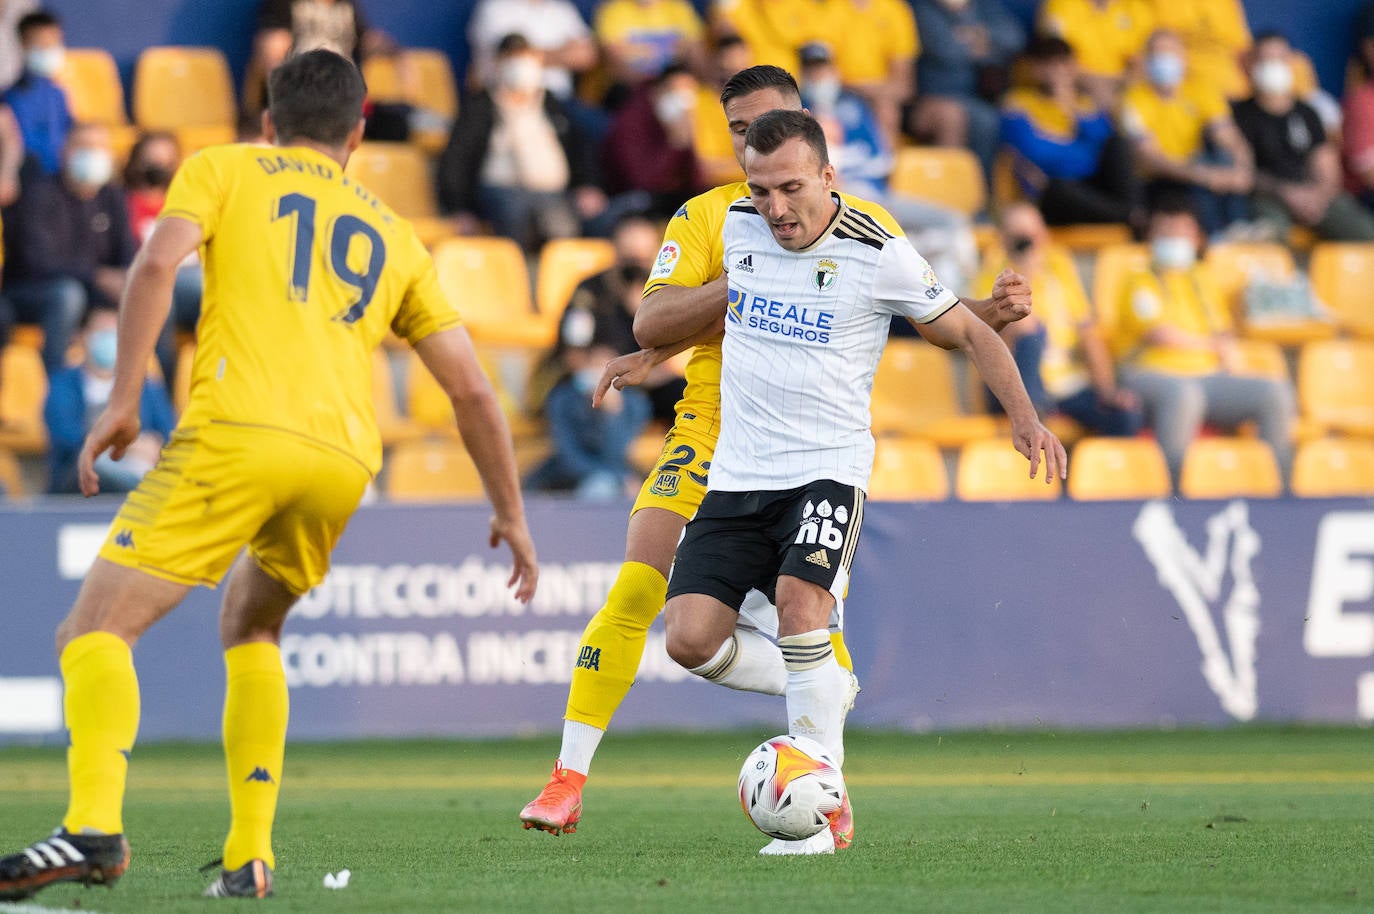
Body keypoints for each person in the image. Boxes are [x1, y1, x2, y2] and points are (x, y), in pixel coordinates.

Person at [0, 50, 538, 904]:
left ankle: (94, 825)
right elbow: (471, 387)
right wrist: (510, 511)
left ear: (265, 122)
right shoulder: (394, 231)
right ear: (360, 133)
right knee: (252, 628)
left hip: (237, 431)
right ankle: (251, 855)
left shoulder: (224, 167)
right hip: (341, 462)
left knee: (92, 631)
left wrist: (125, 395)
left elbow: (152, 266)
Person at [518, 64, 1036, 854]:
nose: (756, 162)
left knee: (800, 609)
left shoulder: (861, 227)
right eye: (738, 137)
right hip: (712, 432)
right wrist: (688, 322)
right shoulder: (721, 220)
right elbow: (657, 316)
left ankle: (824, 797)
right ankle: (574, 773)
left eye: (771, 134)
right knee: (660, 608)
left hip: (813, 447)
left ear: (812, 140)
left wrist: (988, 325)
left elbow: (913, 314)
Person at [660, 109, 1063, 856]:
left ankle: (821, 814)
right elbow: (675, 321)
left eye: (789, 188)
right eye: (759, 189)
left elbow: (964, 328)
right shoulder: (737, 229)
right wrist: (636, 358)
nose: (774, 207)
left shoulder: (878, 251)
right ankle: (823, 685)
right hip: (738, 475)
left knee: (801, 605)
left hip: (826, 471)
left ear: (826, 177)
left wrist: (1025, 417)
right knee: (688, 640)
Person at [1114, 196, 1295, 484]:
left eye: (1182, 232)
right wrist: (1214, 346)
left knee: (1275, 393)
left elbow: (1223, 330)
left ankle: (1276, 491)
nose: (1175, 239)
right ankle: (1175, 492)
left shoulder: (1202, 276)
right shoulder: (1138, 279)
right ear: (1151, 237)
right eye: (1167, 232)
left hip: (1207, 376)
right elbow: (1160, 335)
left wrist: (1228, 356)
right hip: (1150, 373)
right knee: (1184, 396)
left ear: (1197, 239)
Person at [798, 41, 978, 294]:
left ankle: (958, 300)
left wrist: (843, 158)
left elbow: (880, 159)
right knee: (913, 242)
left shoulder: (854, 107)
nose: (818, 76)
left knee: (953, 223)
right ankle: (917, 251)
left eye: (822, 69)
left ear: (834, 70)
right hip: (840, 198)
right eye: (811, 70)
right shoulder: (796, 113)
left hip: (876, 194)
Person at [976, 202, 1141, 435]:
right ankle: (1033, 416)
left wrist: (1108, 391)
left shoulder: (1058, 268)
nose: (1029, 243)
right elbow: (995, 336)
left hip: (1064, 384)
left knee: (1124, 415)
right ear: (1004, 239)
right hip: (1014, 386)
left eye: (1033, 235)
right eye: (1020, 237)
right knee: (1030, 328)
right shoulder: (993, 273)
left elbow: (1087, 332)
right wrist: (1024, 272)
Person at [436, 34, 605, 252]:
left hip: (553, 193)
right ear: (499, 63)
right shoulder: (481, 106)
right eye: (514, 59)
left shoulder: (553, 105)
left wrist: (588, 184)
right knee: (516, 208)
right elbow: (456, 159)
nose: (522, 67)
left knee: (568, 223)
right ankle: (516, 275)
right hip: (501, 190)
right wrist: (459, 208)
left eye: (527, 58)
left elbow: (580, 149)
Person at [2, 122, 135, 375]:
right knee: (67, 295)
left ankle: (155, 388)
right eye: (83, 147)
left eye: (98, 148)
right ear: (65, 151)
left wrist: (126, 279)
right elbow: (37, 262)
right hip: (31, 292)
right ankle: (55, 383)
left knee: (147, 292)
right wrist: (97, 276)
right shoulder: (40, 194)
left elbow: (126, 253)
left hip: (92, 292)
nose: (92, 154)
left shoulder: (113, 197)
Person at [1232, 32, 1374, 243]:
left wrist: (1319, 195)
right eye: (1265, 59)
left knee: (1366, 232)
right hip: (1268, 196)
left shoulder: (1308, 113)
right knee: (1270, 234)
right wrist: (1286, 192)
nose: (1273, 66)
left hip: (1315, 195)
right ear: (1250, 64)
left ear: (1290, 63)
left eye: (1280, 59)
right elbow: (1243, 171)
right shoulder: (1238, 115)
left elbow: (1326, 166)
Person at [1120, 29, 1254, 237]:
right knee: (1201, 178)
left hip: (1200, 169)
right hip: (1160, 180)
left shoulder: (1201, 90)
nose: (1165, 60)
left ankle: (1241, 230)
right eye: (1157, 54)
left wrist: (1242, 168)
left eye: (1171, 53)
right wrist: (1201, 175)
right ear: (1146, 60)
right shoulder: (1132, 100)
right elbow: (1149, 159)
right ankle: (1213, 237)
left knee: (1223, 159)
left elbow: (1227, 136)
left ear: (1183, 57)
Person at [1001, 36, 1141, 228]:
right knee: (1059, 188)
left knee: (1119, 144)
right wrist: (1079, 150)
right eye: (1049, 64)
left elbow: (1105, 149)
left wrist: (1070, 112)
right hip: (1052, 192)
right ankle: (1132, 217)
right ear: (1035, 68)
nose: (1057, 71)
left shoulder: (1084, 106)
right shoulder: (1018, 104)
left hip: (1092, 186)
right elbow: (1037, 153)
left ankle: (1130, 215)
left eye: (1063, 63)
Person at [44, 305, 175, 495]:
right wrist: (125, 447)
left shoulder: (145, 386)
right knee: (102, 467)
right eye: (101, 332)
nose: (108, 339)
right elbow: (65, 437)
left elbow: (167, 433)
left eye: (115, 333)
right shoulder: (62, 383)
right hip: (80, 476)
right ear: (82, 336)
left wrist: (153, 446)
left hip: (141, 466)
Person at [909, 0, 1025, 183]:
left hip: (973, 98)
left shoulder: (983, 5)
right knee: (954, 116)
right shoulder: (923, 8)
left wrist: (969, 26)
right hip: (927, 99)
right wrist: (985, 43)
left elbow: (1014, 38)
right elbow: (947, 51)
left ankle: (981, 194)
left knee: (999, 116)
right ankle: (948, 188)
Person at [123, 131, 203, 384]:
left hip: (190, 280)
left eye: (165, 161)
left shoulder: (188, 203)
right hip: (149, 280)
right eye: (152, 160)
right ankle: (164, 390)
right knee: (160, 297)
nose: (159, 168)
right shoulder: (123, 203)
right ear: (137, 161)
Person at [245, 0, 393, 116]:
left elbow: (368, 40)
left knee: (396, 123)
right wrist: (285, 101)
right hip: (300, 97)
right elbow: (272, 52)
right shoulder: (286, 3)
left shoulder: (346, 4)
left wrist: (397, 53)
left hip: (343, 99)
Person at [602, 62, 707, 218]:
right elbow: (642, 182)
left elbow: (697, 181)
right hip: (627, 203)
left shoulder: (692, 118)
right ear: (658, 90)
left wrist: (689, 143)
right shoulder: (631, 120)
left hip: (671, 201)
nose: (683, 102)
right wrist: (675, 143)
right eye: (676, 94)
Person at [1036, 0, 1154, 110]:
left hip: (1120, 86)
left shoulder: (1137, 8)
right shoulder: (1060, 5)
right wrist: (1096, 83)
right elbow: (1054, 58)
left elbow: (1140, 64)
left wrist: (1117, 83)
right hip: (1076, 83)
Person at [594, 0, 709, 106]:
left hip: (675, 83)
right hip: (631, 89)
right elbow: (615, 63)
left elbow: (697, 55)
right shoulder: (613, 10)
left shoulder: (679, 8)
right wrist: (652, 86)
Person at [0, 9, 71, 177]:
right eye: (43, 44)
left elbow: (68, 134)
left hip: (61, 179)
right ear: (24, 45)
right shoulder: (12, 97)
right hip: (30, 180)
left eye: (55, 43)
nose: (51, 50)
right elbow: (21, 149)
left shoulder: (58, 94)